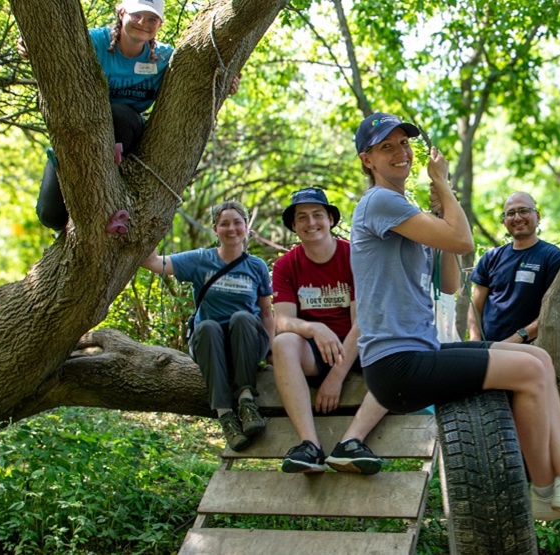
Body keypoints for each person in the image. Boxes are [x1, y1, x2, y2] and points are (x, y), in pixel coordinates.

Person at [348, 112, 560, 516]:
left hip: (419, 352)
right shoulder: (380, 201)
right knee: (532, 369)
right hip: (396, 364)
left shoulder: (404, 212)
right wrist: (443, 185)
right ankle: (555, 484)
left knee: (537, 357)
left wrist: (440, 210)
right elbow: (465, 241)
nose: (400, 153)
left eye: (403, 143)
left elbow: (449, 282)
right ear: (368, 160)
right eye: (386, 147)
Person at [271, 187, 391, 475]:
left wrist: (336, 377)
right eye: (302, 217)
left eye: (317, 215)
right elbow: (283, 320)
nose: (311, 223)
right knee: (283, 343)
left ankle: (351, 442)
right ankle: (309, 446)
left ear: (330, 219)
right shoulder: (286, 265)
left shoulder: (355, 255)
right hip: (316, 351)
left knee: (397, 349)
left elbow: (362, 323)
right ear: (294, 226)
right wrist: (314, 327)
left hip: (358, 345)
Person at [140, 200, 274, 452]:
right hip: (210, 345)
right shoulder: (200, 259)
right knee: (208, 326)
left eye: (237, 223)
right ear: (215, 229)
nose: (231, 228)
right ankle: (226, 416)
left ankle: (246, 403)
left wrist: (271, 352)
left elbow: (266, 313)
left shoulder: (256, 266)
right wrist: (151, 224)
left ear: (247, 227)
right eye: (224, 224)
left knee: (242, 318)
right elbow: (153, 262)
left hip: (246, 341)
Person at [33, 0, 174, 230]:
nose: (143, 23)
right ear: (121, 11)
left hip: (126, 132)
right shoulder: (93, 41)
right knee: (49, 215)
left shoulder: (164, 57)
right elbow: (50, 49)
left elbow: (203, 76)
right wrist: (30, 46)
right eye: (137, 15)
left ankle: (112, 182)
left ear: (159, 24)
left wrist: (227, 80)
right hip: (80, 130)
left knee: (118, 114)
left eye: (152, 19)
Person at [469, 192, 560, 343]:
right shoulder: (491, 257)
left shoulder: (553, 257)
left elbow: (552, 312)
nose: (517, 218)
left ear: (537, 216)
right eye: (511, 213)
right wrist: (475, 341)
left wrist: (515, 340)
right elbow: (476, 306)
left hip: (529, 350)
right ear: (504, 220)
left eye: (524, 211)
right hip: (487, 351)